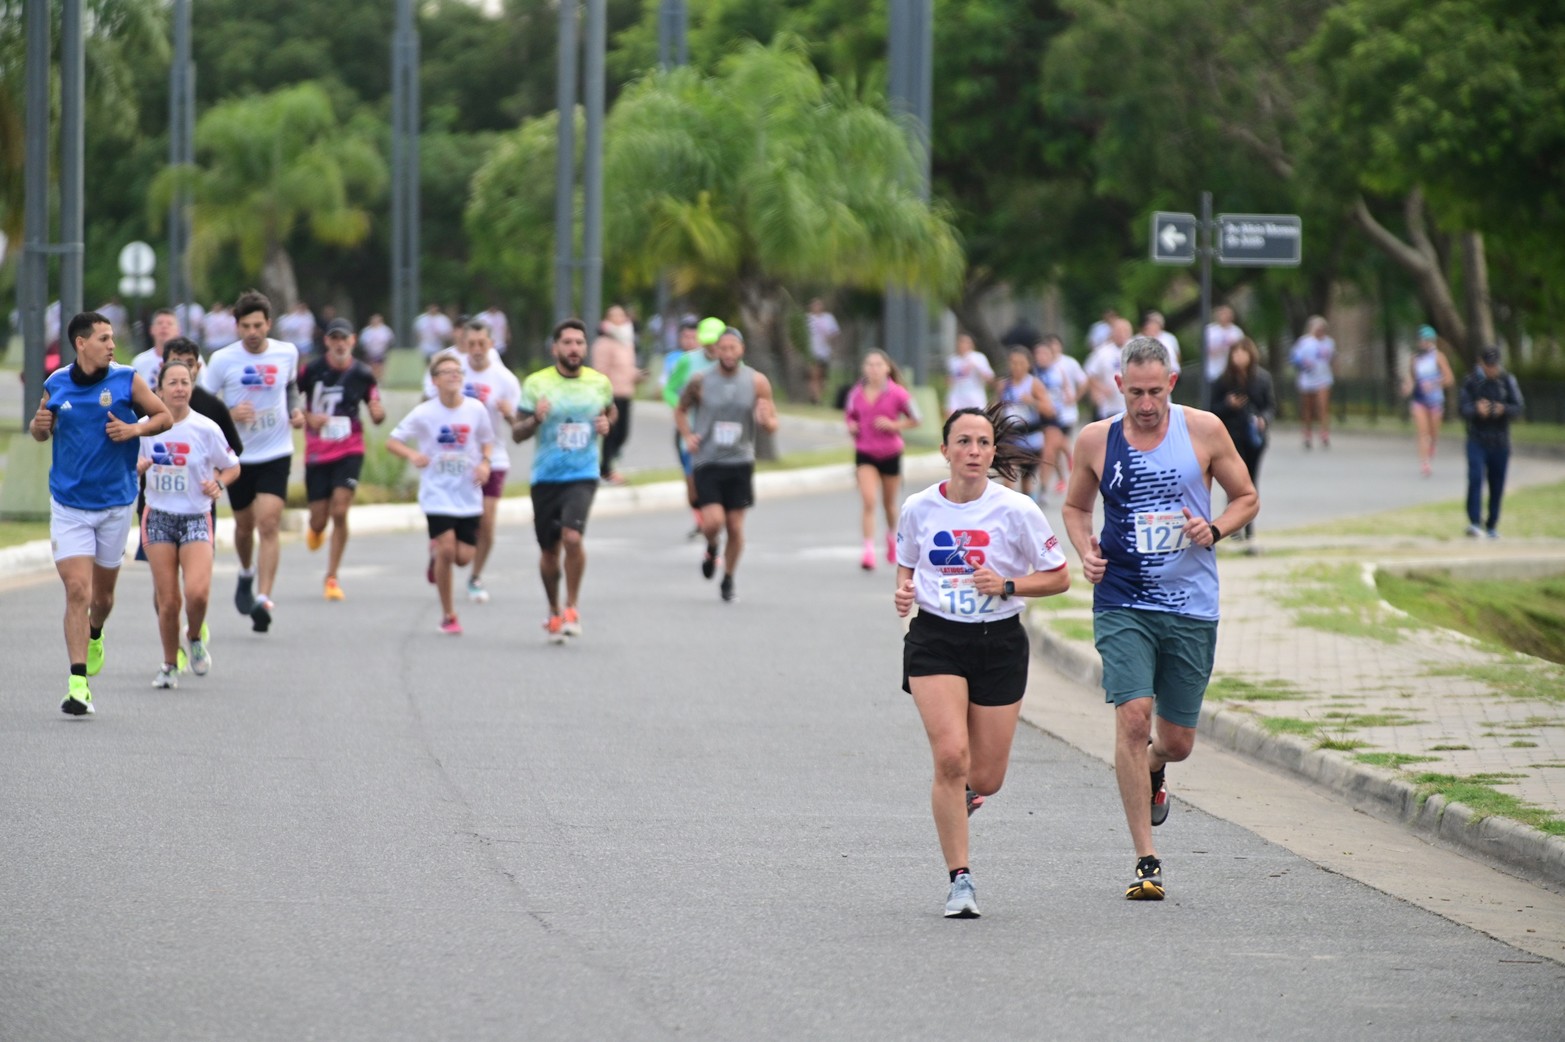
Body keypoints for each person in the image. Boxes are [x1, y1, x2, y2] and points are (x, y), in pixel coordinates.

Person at [1062, 336, 1258, 901]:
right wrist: (1085, 549)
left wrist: (1214, 528)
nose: (1145, 404)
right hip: (1122, 597)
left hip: (1190, 604)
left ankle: (1156, 768)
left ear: (1172, 384)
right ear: (1117, 386)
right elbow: (1076, 507)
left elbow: (1246, 497)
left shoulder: (1203, 430)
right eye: (1135, 393)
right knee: (1132, 717)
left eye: (1156, 391)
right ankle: (1146, 859)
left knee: (1175, 741)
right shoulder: (1096, 440)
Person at [894, 403, 1072, 918]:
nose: (973, 452)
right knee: (951, 757)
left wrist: (1008, 584)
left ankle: (965, 795)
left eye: (983, 443)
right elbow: (907, 566)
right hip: (936, 641)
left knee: (986, 776)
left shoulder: (1016, 510)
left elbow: (1059, 576)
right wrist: (904, 594)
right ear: (945, 450)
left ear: (993, 452)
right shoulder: (920, 508)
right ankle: (961, 881)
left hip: (999, 642)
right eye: (964, 442)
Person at [31, 311, 172, 715]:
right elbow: (41, 428)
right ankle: (78, 683)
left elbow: (163, 416)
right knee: (78, 590)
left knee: (103, 597)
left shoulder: (127, 379)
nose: (112, 345)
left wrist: (134, 431)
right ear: (81, 343)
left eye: (112, 338)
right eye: (104, 338)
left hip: (115, 504)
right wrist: (40, 426)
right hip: (69, 504)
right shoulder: (56, 383)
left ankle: (96, 632)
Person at [201, 290, 305, 632]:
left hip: (276, 451)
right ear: (236, 326)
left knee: (269, 523)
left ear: (269, 324)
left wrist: (295, 409)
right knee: (245, 526)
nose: (252, 332)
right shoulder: (222, 360)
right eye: (245, 326)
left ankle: (263, 598)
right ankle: (246, 574)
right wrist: (230, 413)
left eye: (258, 325)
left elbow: (289, 386)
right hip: (238, 456)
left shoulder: (286, 352)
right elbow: (202, 405)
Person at [137, 360, 241, 687]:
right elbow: (124, 466)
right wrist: (135, 469)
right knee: (168, 601)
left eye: (185, 382)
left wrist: (219, 484)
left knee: (197, 593)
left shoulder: (206, 428)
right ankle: (169, 664)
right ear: (159, 389)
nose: (180, 388)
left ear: (191, 387)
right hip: (158, 518)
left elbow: (232, 466)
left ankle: (194, 637)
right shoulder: (143, 427)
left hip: (197, 516)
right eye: (173, 383)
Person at [511, 319, 615, 642]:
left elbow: (611, 412)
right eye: (567, 343)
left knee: (572, 537)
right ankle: (553, 609)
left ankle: (572, 606)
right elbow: (517, 433)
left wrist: (605, 423)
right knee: (548, 552)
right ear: (555, 348)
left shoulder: (599, 383)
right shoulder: (536, 383)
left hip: (583, 473)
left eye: (579, 343)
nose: (574, 349)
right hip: (545, 476)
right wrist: (536, 419)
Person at [387, 352, 496, 634]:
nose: (454, 375)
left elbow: (487, 441)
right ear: (435, 380)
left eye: (457, 371)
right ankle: (449, 615)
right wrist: (413, 454)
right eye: (447, 372)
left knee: (463, 557)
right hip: (437, 493)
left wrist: (485, 463)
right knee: (448, 548)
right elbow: (393, 441)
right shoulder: (425, 412)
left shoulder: (475, 409)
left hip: (467, 493)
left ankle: (437, 555)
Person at [675, 326, 780, 603]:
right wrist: (688, 435)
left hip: (740, 460)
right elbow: (680, 410)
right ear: (715, 350)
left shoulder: (757, 382)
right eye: (723, 348)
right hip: (708, 459)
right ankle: (711, 546)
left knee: (735, 527)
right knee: (713, 522)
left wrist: (765, 419)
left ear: (742, 350)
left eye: (733, 348)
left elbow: (772, 424)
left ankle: (729, 577)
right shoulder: (701, 380)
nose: (728, 353)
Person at [298, 318, 387, 601]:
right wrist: (309, 417)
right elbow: (291, 402)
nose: (339, 343)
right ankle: (315, 530)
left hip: (350, 448)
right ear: (327, 341)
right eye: (334, 338)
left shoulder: (363, 373)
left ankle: (332, 577)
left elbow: (377, 409)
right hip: (317, 450)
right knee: (319, 519)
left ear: (353, 341)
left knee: (340, 510)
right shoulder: (311, 371)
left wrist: (376, 411)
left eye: (344, 339)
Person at [449, 320, 520, 601]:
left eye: (483, 344)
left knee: (488, 520)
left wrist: (510, 413)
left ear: (491, 344)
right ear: (465, 345)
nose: (477, 349)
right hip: (457, 458)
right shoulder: (453, 373)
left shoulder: (505, 380)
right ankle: (441, 547)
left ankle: (476, 576)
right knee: (453, 522)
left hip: (494, 457)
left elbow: (520, 426)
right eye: (472, 344)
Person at [845, 349, 920, 570]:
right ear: (864, 369)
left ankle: (891, 537)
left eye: (878, 365)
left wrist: (894, 425)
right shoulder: (856, 393)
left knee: (889, 504)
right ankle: (868, 550)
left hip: (890, 452)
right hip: (865, 451)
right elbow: (849, 415)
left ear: (887, 368)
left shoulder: (898, 393)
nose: (874, 369)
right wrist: (851, 426)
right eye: (869, 364)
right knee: (868, 501)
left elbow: (917, 418)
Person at [1209, 337, 1275, 543]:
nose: (1239, 357)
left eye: (1243, 353)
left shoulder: (1262, 379)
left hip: (1254, 436)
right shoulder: (1223, 380)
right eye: (1235, 353)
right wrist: (1228, 404)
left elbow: (1270, 406)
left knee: (1251, 482)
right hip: (1232, 436)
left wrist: (1264, 419)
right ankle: (1233, 526)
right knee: (1234, 482)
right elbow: (1212, 409)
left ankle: (1249, 527)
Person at [664, 317, 721, 537]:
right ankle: (701, 517)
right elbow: (670, 389)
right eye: (707, 343)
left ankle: (709, 523)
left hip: (719, 437)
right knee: (693, 485)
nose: (712, 348)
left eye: (715, 343)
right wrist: (680, 409)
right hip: (691, 433)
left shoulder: (732, 362)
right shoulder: (688, 361)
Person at [1460, 346, 1525, 539]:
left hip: (1500, 441)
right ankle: (1474, 522)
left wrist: (1501, 409)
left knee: (1497, 483)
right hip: (1477, 438)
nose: (1491, 369)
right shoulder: (1472, 382)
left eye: (1494, 365)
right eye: (1488, 365)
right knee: (1475, 478)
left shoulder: (1506, 381)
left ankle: (1492, 524)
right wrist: (1476, 409)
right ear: (1481, 363)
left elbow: (1518, 407)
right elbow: (1462, 408)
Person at [994, 347, 1054, 499]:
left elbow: (1049, 410)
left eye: (1021, 363)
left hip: (1030, 437)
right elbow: (997, 408)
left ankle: (1027, 507)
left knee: (1026, 481)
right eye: (1013, 363)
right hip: (1010, 435)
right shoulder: (1003, 385)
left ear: (1028, 365)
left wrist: (1032, 402)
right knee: (1009, 475)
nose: (1017, 367)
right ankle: (1006, 507)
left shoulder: (1034, 384)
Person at [591, 322, 643, 486]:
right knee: (611, 433)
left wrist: (637, 375)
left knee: (623, 433)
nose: (618, 321)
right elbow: (600, 369)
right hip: (612, 393)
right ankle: (606, 468)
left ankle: (607, 464)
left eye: (621, 316)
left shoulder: (627, 342)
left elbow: (627, 368)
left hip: (626, 392)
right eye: (614, 317)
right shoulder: (604, 343)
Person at [1403, 325, 1456, 477]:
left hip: (1435, 400)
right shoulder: (1414, 358)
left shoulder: (1438, 357)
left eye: (1426, 340)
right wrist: (1408, 387)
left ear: (1431, 341)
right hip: (1419, 399)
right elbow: (1412, 378)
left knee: (1433, 432)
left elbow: (1449, 379)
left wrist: (1433, 384)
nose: (1423, 343)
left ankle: (1432, 445)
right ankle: (1425, 462)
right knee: (1422, 432)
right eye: (1421, 340)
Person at [1034, 334, 1083, 494]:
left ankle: (1044, 486)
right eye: (1038, 354)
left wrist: (1071, 397)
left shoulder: (1059, 370)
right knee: (1052, 449)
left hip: (1054, 415)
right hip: (1036, 416)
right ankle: (1066, 461)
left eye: (1044, 354)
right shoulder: (1033, 372)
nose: (1041, 357)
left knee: (1050, 450)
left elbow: (1068, 388)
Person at [1290, 316, 1336, 449]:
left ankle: (1324, 433)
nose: (1319, 331)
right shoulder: (1304, 342)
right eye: (1317, 328)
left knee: (1323, 406)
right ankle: (1307, 433)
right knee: (1308, 408)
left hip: (1324, 378)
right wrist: (1304, 364)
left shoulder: (1329, 343)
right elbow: (1294, 358)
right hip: (1307, 378)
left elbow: (1332, 359)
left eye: (1322, 329)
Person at [1085, 317, 1132, 421]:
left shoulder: (1136, 350)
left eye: (1124, 331)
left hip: (1131, 403)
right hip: (1109, 405)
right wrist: (1099, 388)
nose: (1121, 334)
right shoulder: (1102, 352)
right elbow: (1090, 374)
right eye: (1118, 331)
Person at [1203, 305, 1245, 407]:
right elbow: (1206, 349)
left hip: (1231, 372)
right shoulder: (1210, 330)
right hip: (1214, 372)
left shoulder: (1237, 332)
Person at [944, 333, 993, 415]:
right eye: (960, 342)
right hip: (958, 396)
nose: (962, 345)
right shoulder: (953, 360)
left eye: (965, 343)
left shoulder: (979, 358)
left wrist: (976, 368)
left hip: (975, 397)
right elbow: (949, 380)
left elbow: (989, 378)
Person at [130, 308, 180, 388]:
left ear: (178, 331)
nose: (164, 326)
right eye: (160, 323)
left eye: (169, 324)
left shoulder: (189, 359)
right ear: (151, 329)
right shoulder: (139, 362)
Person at [807, 297, 841, 405]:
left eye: (818, 305)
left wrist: (829, 338)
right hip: (812, 351)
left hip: (825, 351)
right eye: (814, 305)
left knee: (823, 378)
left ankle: (817, 396)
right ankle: (816, 399)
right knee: (814, 375)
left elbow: (835, 333)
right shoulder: (807, 318)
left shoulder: (828, 318)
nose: (816, 307)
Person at [358, 313, 395, 381]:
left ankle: (380, 380)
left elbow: (390, 340)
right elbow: (363, 343)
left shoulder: (385, 330)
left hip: (381, 352)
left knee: (381, 367)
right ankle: (373, 379)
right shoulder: (367, 331)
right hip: (370, 352)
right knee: (372, 367)